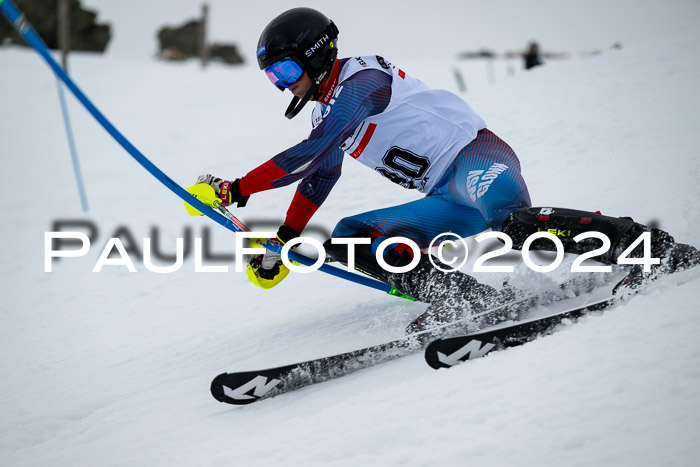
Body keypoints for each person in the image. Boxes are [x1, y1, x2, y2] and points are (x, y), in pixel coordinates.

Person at [197, 8, 699, 332]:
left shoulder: (361, 80)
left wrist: (237, 189)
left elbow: (315, 148)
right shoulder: (325, 110)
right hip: (443, 197)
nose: (283, 85)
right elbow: (319, 175)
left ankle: (652, 248)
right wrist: (285, 240)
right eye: (271, 78)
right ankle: (464, 299)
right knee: (352, 237)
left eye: (284, 71)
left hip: (477, 161)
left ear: (315, 55)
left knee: (511, 225)